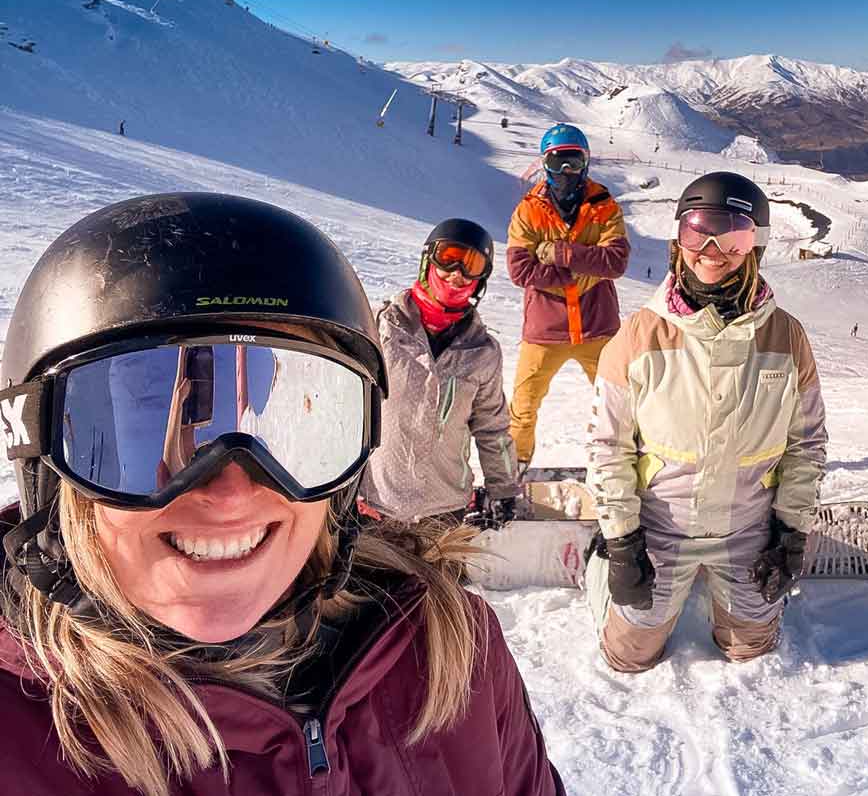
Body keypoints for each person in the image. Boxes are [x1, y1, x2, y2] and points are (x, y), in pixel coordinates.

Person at [0, 193, 564, 795]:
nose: (230, 490)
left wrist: (502, 487)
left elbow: (494, 427)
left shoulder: (456, 656)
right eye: (127, 433)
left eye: (279, 426)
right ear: (42, 454)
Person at [585, 172, 827, 672]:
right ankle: (599, 565)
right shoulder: (639, 335)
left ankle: (724, 587)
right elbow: (608, 445)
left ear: (755, 245)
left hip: (746, 528)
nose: (713, 250)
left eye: (734, 236)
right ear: (679, 238)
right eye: (699, 231)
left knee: (750, 652)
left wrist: (790, 533)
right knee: (628, 657)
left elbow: (806, 443)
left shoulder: (785, 337)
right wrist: (622, 540)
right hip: (659, 529)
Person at [359, 218, 521, 524]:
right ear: (428, 260)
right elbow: (345, 409)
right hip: (376, 503)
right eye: (448, 258)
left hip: (444, 507)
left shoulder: (482, 352)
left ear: (481, 278)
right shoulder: (380, 327)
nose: (457, 273)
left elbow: (492, 426)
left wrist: (504, 489)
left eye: (471, 264)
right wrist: (343, 486)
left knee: (442, 574)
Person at [507, 123, 630, 472]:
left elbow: (616, 262)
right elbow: (521, 272)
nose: (566, 171)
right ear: (545, 163)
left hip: (597, 328)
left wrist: (560, 253)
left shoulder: (604, 206)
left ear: (586, 163)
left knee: (619, 401)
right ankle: (513, 471)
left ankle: (622, 469)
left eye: (573, 162)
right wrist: (584, 267)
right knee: (524, 405)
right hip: (546, 331)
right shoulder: (528, 211)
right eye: (558, 161)